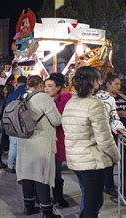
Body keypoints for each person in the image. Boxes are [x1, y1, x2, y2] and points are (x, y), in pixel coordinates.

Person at [62, 66, 120, 218]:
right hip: (92, 161)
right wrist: (116, 157)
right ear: (93, 82)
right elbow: (104, 138)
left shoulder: (71, 103)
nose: (100, 83)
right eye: (98, 80)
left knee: (89, 201)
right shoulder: (94, 105)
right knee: (93, 204)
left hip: (76, 159)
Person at [15, 75, 62, 217]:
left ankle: (29, 207)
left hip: (23, 141)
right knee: (42, 175)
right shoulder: (42, 98)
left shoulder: (21, 96)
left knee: (27, 174)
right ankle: (47, 212)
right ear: (40, 85)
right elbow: (56, 120)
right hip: (40, 141)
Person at [44, 73, 72, 208]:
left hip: (59, 139)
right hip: (43, 140)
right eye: (45, 86)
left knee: (56, 171)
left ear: (59, 87)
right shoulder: (42, 99)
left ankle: (58, 197)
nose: (46, 89)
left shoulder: (65, 100)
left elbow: (60, 119)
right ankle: (44, 197)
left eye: (50, 86)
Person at [5, 76, 27, 173]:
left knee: (13, 144)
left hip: (11, 122)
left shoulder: (11, 95)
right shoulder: (26, 94)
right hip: (23, 123)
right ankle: (20, 167)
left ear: (17, 83)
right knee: (23, 146)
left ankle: (10, 165)